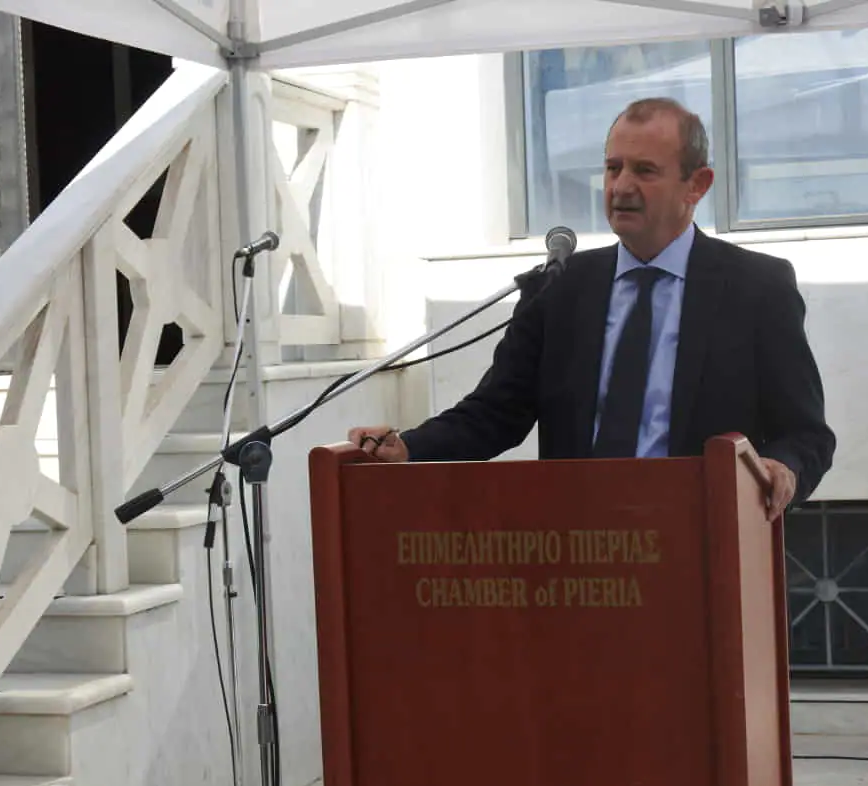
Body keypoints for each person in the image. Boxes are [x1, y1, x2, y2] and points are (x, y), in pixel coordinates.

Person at [349, 97, 834, 520]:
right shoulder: (559, 286)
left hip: (701, 542)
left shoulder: (756, 288)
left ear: (697, 185)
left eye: (644, 171)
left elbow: (805, 434)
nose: (621, 186)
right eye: (612, 168)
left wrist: (783, 468)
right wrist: (409, 447)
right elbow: (496, 413)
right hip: (580, 548)